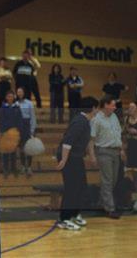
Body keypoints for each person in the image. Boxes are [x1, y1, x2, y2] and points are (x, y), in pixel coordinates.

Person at [56, 96, 99, 230]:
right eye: (97, 108)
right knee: (72, 188)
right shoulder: (80, 122)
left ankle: (74, 214)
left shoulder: (85, 121)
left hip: (76, 158)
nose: (97, 111)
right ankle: (64, 219)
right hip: (69, 158)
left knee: (80, 186)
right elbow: (68, 141)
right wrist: (64, 159)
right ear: (93, 108)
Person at [90, 95, 123, 218]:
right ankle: (110, 208)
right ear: (105, 105)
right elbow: (92, 139)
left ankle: (101, 202)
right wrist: (92, 155)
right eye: (113, 105)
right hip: (104, 151)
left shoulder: (114, 117)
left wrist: (122, 150)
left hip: (116, 151)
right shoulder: (96, 119)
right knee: (108, 180)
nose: (115, 107)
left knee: (113, 179)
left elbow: (118, 134)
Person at [0, 90, 22, 178]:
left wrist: (18, 130)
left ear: (14, 97)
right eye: (8, 96)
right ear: (6, 98)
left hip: (14, 132)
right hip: (5, 132)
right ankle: (6, 170)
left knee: (13, 151)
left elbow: (19, 120)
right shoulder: (3, 108)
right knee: (5, 152)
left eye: (11, 96)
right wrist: (2, 131)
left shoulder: (17, 107)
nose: (10, 98)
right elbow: (1, 120)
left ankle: (14, 169)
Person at [16, 86, 36, 177]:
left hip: (27, 127)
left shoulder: (29, 103)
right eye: (18, 92)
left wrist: (32, 130)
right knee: (21, 148)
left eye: (21, 92)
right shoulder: (15, 104)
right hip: (19, 128)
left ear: (24, 93)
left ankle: (29, 166)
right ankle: (23, 166)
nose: (19, 93)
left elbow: (33, 117)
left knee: (29, 148)